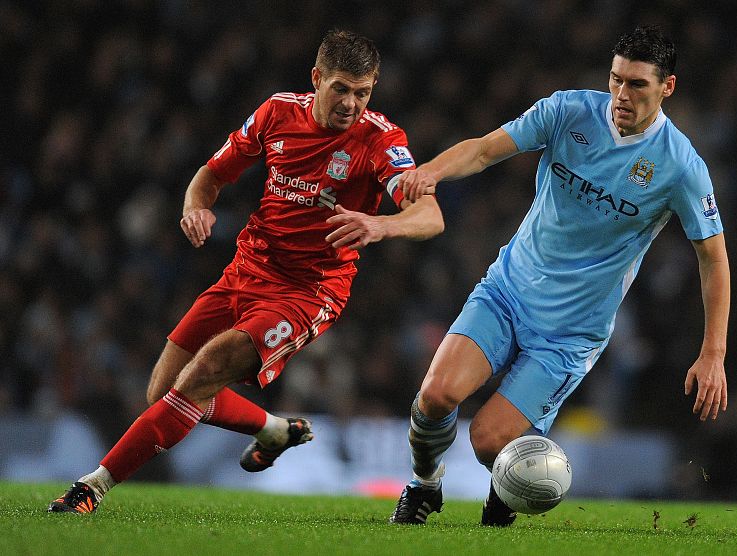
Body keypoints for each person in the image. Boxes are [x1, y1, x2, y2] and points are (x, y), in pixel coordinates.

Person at [48, 29, 444, 514]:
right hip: (246, 268)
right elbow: (211, 175)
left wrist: (380, 225)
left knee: (205, 371)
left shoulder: (380, 140)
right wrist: (197, 207)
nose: (351, 104)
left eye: (363, 92)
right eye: (341, 88)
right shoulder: (277, 112)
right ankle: (272, 430)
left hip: (308, 292)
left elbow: (431, 215)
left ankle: (91, 487)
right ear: (317, 78)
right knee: (163, 392)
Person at [389, 25, 730, 526]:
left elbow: (714, 258)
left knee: (489, 441)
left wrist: (714, 353)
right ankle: (424, 484)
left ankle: (505, 496)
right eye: (616, 79)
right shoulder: (567, 111)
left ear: (667, 87)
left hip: (571, 332)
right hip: (507, 292)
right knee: (435, 396)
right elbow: (484, 149)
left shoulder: (681, 166)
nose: (621, 94)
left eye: (637, 84)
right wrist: (431, 172)